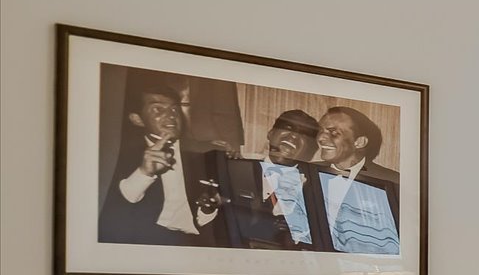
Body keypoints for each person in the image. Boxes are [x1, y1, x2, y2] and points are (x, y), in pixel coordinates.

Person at [99, 79, 226, 246]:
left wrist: (208, 209)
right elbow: (114, 213)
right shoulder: (117, 154)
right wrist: (144, 173)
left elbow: (210, 220)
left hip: (196, 243)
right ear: (137, 119)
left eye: (174, 108)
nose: (171, 115)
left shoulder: (205, 153)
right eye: (158, 109)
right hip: (147, 242)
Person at [223, 110, 329, 249]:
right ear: (270, 134)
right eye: (287, 128)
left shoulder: (319, 188)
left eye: (304, 134)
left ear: (312, 149)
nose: (293, 136)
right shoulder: (236, 169)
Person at [312, 106, 401, 255]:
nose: (321, 138)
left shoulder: (394, 181)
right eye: (320, 130)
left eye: (334, 132)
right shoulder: (306, 172)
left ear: (359, 142)